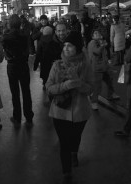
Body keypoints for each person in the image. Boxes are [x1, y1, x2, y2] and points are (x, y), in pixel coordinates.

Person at [46, 31, 92, 183]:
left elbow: (90, 89)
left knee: (75, 137)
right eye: (65, 45)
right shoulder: (56, 65)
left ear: (77, 48)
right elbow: (49, 87)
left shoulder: (85, 65)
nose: (66, 48)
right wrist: (66, 85)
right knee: (64, 142)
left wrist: (78, 82)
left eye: (70, 46)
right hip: (60, 111)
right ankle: (67, 171)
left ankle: (74, 152)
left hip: (80, 111)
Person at [1, 14, 34, 126]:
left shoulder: (6, 36)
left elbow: (4, 49)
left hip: (12, 65)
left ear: (10, 23)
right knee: (26, 91)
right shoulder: (25, 35)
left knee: (15, 93)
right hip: (23, 65)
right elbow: (28, 49)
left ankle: (17, 117)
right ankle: (29, 116)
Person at [87, 29, 119, 110]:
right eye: (95, 33)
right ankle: (94, 102)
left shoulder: (100, 42)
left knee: (109, 81)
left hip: (103, 67)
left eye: (98, 32)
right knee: (97, 87)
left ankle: (111, 94)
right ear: (92, 36)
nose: (98, 34)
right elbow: (96, 52)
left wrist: (108, 63)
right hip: (97, 69)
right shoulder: (92, 43)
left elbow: (104, 55)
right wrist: (102, 46)